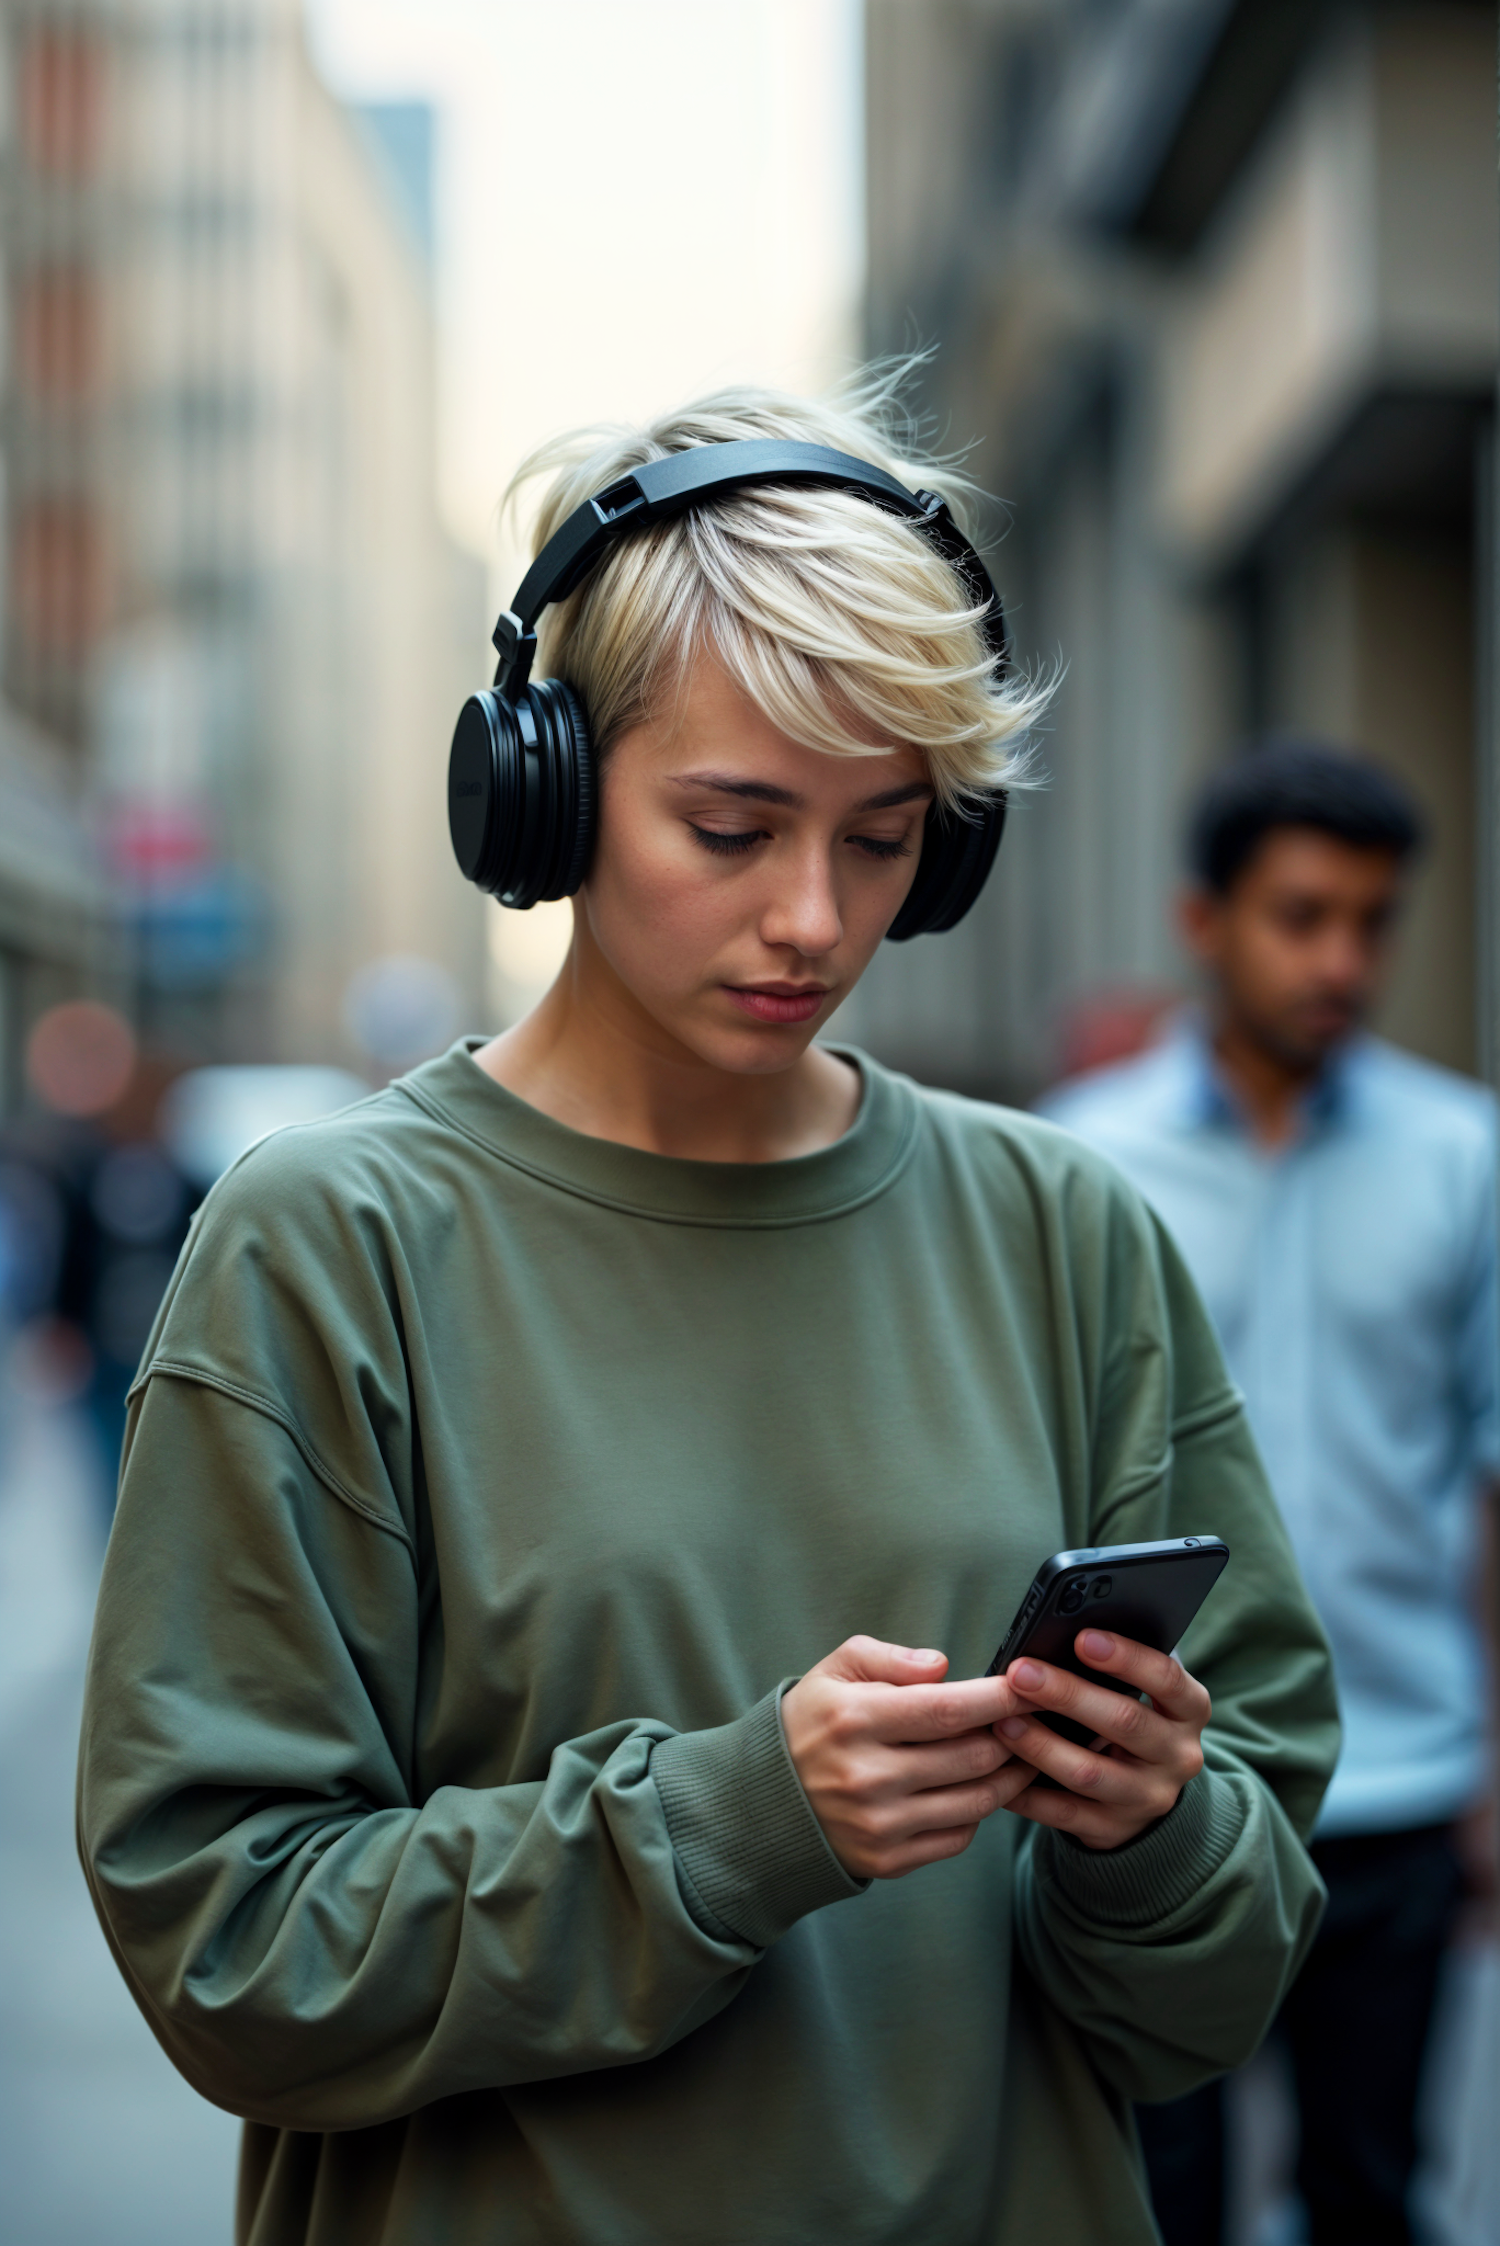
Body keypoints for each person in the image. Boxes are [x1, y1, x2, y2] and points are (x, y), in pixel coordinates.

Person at [78, 383, 1337, 2246]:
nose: (815, 921)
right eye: (733, 827)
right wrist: (728, 1825)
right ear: (547, 788)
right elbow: (231, 1944)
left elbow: (1212, 1995)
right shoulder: (326, 1244)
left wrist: (1153, 1829)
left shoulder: (1066, 1229)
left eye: (884, 837)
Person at [1046, 741, 1500, 2246]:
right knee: (1155, 2195)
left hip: (1404, 1779)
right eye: (1302, 916)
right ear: (1204, 921)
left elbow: (1488, 1474)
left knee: (1375, 2196)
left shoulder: (1462, 1159)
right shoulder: (1082, 1162)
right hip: (1163, 1783)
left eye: (1372, 921)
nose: (1342, 960)